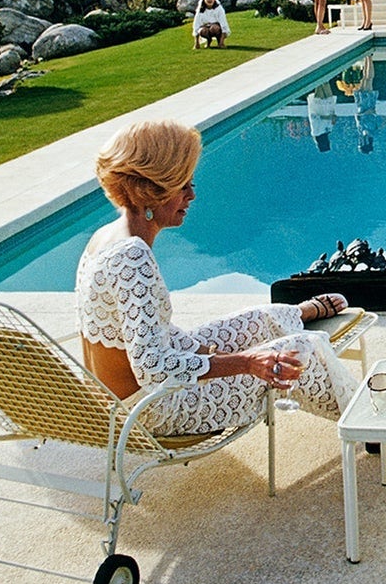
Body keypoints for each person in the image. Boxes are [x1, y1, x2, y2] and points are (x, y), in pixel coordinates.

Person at [76, 120, 356, 432]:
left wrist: (213, 353)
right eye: (182, 186)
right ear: (152, 190)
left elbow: (147, 333)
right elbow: (152, 367)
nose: (191, 196)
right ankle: (370, 425)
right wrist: (247, 362)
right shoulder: (132, 256)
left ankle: (293, 313)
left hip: (121, 398)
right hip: (154, 409)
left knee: (258, 319)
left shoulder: (105, 237)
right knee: (305, 349)